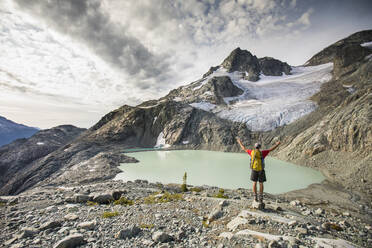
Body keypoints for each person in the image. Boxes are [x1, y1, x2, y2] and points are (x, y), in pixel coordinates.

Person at [236, 138, 281, 203]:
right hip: (261, 170)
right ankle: (261, 197)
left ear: (255, 147)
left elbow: (244, 148)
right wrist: (277, 144)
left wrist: (239, 142)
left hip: (254, 169)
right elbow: (271, 149)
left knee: (254, 183)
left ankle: (255, 196)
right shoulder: (263, 153)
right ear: (260, 147)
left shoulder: (252, 152)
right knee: (261, 184)